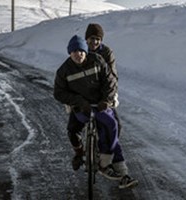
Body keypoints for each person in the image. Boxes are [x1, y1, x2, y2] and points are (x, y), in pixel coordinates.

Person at [54, 35, 138, 189]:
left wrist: (106, 100)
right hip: (82, 108)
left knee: (112, 125)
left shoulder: (98, 60)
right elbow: (58, 93)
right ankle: (82, 154)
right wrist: (78, 101)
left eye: (80, 51)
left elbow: (110, 82)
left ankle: (106, 161)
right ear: (69, 53)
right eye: (74, 52)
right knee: (73, 130)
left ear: (85, 51)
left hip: (99, 104)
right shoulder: (64, 70)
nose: (77, 54)